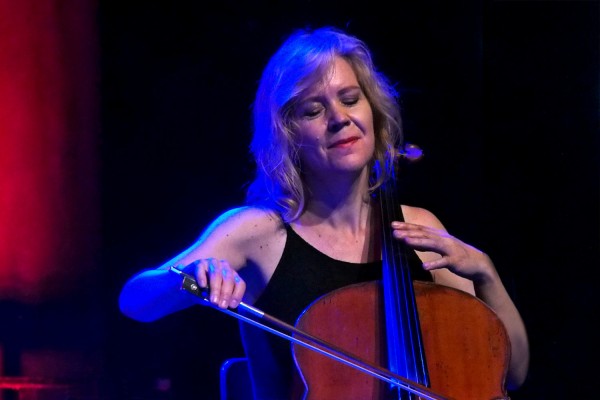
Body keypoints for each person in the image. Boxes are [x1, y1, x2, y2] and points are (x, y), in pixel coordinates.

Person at [119, 26, 529, 399]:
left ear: (374, 112)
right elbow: (135, 301)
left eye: (351, 100)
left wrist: (486, 274)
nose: (339, 119)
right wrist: (190, 278)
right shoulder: (258, 231)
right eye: (313, 111)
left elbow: (511, 373)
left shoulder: (419, 230)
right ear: (287, 134)